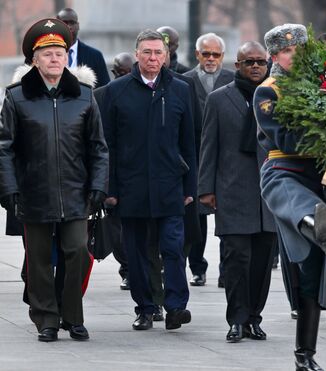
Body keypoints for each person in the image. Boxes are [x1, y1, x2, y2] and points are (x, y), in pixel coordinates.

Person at [0, 18, 109, 342]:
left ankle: (72, 316)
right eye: (47, 53)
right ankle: (46, 317)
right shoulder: (17, 98)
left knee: (76, 251)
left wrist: (99, 186)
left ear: (67, 57)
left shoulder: (85, 97)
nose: (54, 59)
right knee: (39, 259)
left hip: (75, 193)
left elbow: (99, 149)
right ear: (34, 59)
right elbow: (4, 149)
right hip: (34, 192)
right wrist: (10, 190)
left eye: (59, 53)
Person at [254, 23, 326, 371]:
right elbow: (284, 141)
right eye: (287, 52)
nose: (295, 56)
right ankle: (314, 223)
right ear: (274, 56)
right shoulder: (268, 90)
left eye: (300, 50)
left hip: (321, 180)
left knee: (312, 271)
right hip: (284, 175)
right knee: (308, 218)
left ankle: (304, 355)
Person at [101, 29, 196, 331]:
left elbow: (189, 143)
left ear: (166, 56)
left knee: (172, 247)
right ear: (137, 54)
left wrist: (190, 187)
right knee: (138, 253)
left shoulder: (181, 89)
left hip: (170, 186)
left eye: (158, 53)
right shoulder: (116, 92)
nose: (153, 58)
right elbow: (109, 145)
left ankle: (176, 307)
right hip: (131, 188)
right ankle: (145, 307)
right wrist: (110, 189)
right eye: (147, 52)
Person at [199, 41, 277, 342]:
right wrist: (206, 189)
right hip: (232, 191)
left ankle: (254, 318)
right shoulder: (219, 99)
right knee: (235, 260)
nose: (256, 66)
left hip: (269, 193)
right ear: (238, 66)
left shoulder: (276, 97)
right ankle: (236, 318)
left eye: (260, 61)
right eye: (249, 62)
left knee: (262, 263)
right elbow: (209, 146)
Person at [183, 32, 233, 288]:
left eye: (216, 54)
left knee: (228, 218)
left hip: (226, 159)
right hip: (195, 157)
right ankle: (197, 268)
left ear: (223, 56)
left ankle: (226, 270)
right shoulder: (185, 81)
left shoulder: (233, 80)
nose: (211, 58)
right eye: (206, 53)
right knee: (196, 218)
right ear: (197, 55)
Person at [93, 52, 134, 291]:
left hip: (137, 173)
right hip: (112, 173)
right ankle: (127, 268)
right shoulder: (99, 97)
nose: (125, 77)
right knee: (117, 228)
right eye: (120, 73)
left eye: (129, 73)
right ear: (113, 73)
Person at [56, 8, 110, 87]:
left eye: (72, 23)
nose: (69, 27)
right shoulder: (47, 55)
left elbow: (105, 89)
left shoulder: (95, 56)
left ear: (78, 25)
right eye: (64, 23)